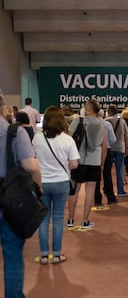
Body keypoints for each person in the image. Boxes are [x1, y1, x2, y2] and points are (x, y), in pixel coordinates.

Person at [0, 94, 42, 297]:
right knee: (13, 254)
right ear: (3, 108)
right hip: (10, 201)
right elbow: (30, 165)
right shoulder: (13, 132)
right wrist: (38, 188)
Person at [33, 106, 80, 265]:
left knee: (44, 219)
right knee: (59, 218)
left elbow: (33, 159)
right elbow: (74, 164)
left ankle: (44, 255)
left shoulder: (37, 138)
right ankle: (58, 254)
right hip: (61, 182)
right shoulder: (68, 139)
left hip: (42, 183)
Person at [67, 99, 108, 229]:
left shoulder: (78, 121)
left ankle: (71, 218)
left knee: (74, 190)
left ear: (88, 108)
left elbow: (68, 139)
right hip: (94, 161)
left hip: (78, 160)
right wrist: (101, 163)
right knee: (90, 191)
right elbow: (104, 147)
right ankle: (85, 220)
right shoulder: (103, 124)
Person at [105, 104, 128, 196]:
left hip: (108, 147)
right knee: (120, 170)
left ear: (109, 111)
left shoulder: (105, 121)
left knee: (107, 170)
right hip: (120, 147)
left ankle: (107, 190)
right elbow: (126, 136)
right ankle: (120, 190)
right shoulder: (122, 121)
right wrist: (126, 147)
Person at [95, 109, 116, 206]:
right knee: (107, 175)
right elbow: (113, 139)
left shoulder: (90, 124)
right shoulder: (107, 124)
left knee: (95, 176)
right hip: (107, 151)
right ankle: (110, 197)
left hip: (94, 152)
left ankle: (97, 199)